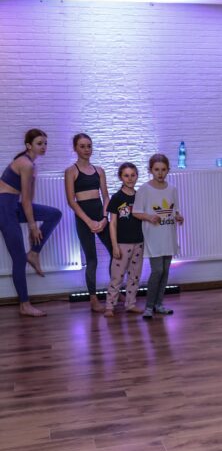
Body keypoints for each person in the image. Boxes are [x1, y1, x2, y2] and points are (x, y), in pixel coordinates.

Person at [0, 129, 62, 317]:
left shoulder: (32, 165)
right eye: (39, 143)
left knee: (54, 214)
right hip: (4, 209)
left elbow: (29, 199)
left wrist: (32, 222)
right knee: (19, 258)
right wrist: (33, 227)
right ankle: (24, 305)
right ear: (28, 145)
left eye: (45, 143)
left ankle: (34, 253)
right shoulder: (25, 164)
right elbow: (26, 201)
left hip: (13, 205)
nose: (43, 147)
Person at [64, 133, 112, 312]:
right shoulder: (71, 171)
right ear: (75, 148)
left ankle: (114, 290)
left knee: (116, 253)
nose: (86, 149)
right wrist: (89, 222)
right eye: (82, 146)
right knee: (92, 259)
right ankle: (93, 298)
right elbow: (71, 201)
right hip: (84, 219)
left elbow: (106, 197)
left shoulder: (99, 170)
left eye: (89, 146)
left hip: (100, 216)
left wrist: (104, 218)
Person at [132, 154, 183, 319]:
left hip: (168, 235)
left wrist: (179, 217)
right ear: (150, 170)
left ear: (168, 170)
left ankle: (159, 304)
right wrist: (149, 217)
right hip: (153, 236)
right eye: (156, 170)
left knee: (165, 271)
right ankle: (149, 306)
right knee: (157, 270)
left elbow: (175, 211)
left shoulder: (172, 189)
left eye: (163, 169)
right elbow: (136, 212)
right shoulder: (144, 190)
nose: (160, 173)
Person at [104, 163, 144, 317]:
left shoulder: (140, 196)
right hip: (122, 244)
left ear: (137, 176)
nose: (130, 178)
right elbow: (113, 223)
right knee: (117, 276)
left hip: (138, 242)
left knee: (134, 276)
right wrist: (114, 245)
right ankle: (110, 306)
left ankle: (130, 304)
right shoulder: (117, 198)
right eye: (126, 175)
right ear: (121, 177)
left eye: (133, 175)